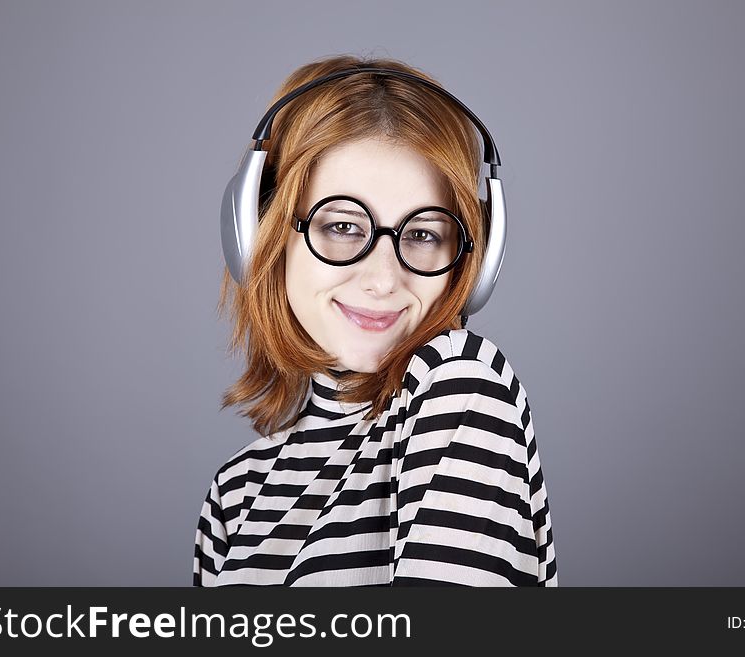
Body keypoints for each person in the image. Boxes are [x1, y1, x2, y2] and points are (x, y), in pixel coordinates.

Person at [193, 55, 558, 586]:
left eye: (423, 234)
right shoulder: (235, 492)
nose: (383, 279)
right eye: (342, 225)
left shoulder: (462, 387)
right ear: (258, 234)